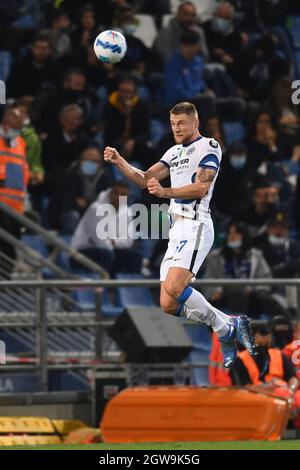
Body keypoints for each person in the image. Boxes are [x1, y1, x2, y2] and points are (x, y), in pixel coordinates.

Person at [104, 101, 257, 368]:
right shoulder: (173, 152)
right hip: (177, 229)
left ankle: (225, 328)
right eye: (173, 124)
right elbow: (144, 178)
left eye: (181, 123)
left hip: (197, 224)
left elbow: (200, 188)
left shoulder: (209, 146)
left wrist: (166, 193)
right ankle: (228, 325)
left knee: (176, 287)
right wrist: (120, 162)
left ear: (195, 122)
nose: (176, 128)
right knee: (168, 303)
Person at [71, 181, 143, 275]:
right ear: (110, 193)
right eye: (116, 193)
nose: (119, 197)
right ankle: (101, 287)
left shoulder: (127, 212)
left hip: (109, 251)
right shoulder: (95, 209)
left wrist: (113, 241)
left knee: (135, 256)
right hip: (82, 251)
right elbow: (100, 242)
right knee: (106, 254)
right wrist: (116, 242)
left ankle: (127, 287)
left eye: (123, 194)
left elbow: (128, 242)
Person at [0, 105, 29, 276]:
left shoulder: (20, 143)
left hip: (16, 206)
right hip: (1, 205)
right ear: (6, 122)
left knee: (12, 246)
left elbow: (22, 171)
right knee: (6, 247)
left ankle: (6, 281)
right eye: (16, 126)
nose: (18, 130)